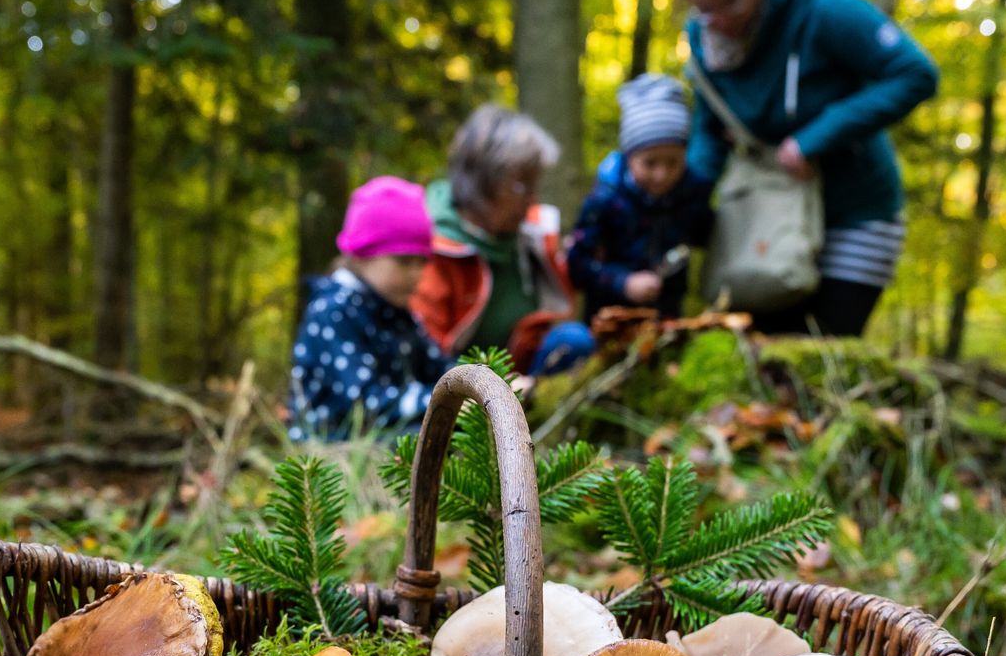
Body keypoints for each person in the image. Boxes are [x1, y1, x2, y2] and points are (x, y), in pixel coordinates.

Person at [677, 0, 938, 337]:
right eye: (707, 9)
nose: (721, 19)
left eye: (732, 1)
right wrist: (686, 202)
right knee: (763, 350)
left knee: (823, 349)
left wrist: (815, 138)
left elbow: (915, 73)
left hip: (854, 210)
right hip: (769, 216)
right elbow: (708, 130)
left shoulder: (823, 11)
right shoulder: (705, 41)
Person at [411, 105, 583, 372]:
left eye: (536, 185)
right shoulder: (430, 245)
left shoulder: (531, 236)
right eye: (521, 185)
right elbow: (423, 354)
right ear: (480, 181)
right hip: (455, 389)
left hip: (519, 381)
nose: (532, 199)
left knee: (574, 342)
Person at [288, 177, 451, 442]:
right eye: (404, 261)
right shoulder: (333, 312)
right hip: (330, 457)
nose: (416, 274)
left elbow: (438, 367)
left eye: (422, 261)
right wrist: (442, 400)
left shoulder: (398, 313)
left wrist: (484, 384)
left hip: (388, 441)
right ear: (363, 254)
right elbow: (365, 403)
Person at [566, 72, 716, 320]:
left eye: (673, 163)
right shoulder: (605, 200)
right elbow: (577, 266)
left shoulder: (691, 193)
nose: (662, 175)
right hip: (608, 319)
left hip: (668, 318)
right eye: (650, 163)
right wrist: (623, 282)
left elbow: (705, 234)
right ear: (629, 155)